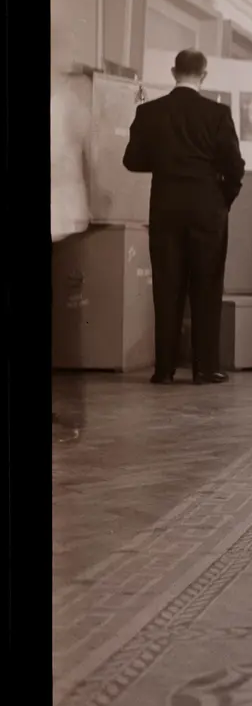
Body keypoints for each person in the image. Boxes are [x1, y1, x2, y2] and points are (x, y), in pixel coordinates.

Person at [123, 49, 245, 385]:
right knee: (206, 287)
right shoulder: (217, 113)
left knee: (167, 286)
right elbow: (235, 166)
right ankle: (205, 368)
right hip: (207, 209)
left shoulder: (149, 112)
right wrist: (222, 200)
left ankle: (164, 369)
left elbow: (132, 160)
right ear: (203, 75)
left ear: (173, 71)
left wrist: (165, 162)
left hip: (166, 207)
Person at [51, 38, 91, 440]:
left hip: (61, 221)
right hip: (62, 218)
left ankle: (69, 409)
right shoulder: (66, 102)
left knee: (64, 320)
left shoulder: (66, 102)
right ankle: (69, 409)